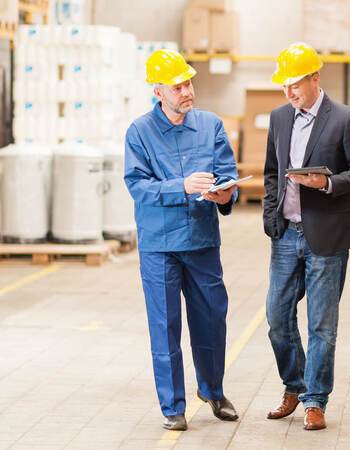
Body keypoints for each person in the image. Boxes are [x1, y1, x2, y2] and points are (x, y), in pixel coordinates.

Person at [124, 49, 239, 431]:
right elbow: (137, 185)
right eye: (178, 86)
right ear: (158, 92)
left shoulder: (210, 125)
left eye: (189, 82)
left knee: (211, 319)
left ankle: (213, 390)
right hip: (160, 245)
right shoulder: (140, 132)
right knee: (165, 324)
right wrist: (181, 187)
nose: (187, 91)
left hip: (202, 240)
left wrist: (226, 194)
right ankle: (173, 405)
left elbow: (226, 173)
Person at [262, 42, 350, 431]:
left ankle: (314, 400)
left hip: (326, 235)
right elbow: (273, 173)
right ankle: (294, 385)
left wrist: (327, 183)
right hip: (285, 235)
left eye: (295, 84)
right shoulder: (279, 118)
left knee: (322, 326)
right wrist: (270, 218)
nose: (290, 93)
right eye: (284, 87)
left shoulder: (344, 118)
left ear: (315, 78)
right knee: (277, 318)